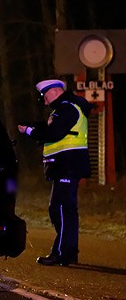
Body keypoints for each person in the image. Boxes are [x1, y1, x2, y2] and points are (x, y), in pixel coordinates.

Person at [18, 79, 92, 266]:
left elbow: (53, 134)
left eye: (45, 95)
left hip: (67, 166)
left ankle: (62, 253)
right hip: (66, 166)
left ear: (57, 91)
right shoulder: (65, 109)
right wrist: (35, 127)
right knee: (62, 209)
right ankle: (68, 252)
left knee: (61, 209)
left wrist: (29, 131)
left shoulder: (67, 108)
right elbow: (54, 130)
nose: (44, 100)